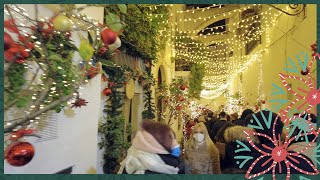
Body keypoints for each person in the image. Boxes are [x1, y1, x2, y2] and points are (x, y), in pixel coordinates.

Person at [118, 120, 184, 174]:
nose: (176, 144)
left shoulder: (132, 160)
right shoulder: (169, 166)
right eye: (170, 139)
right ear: (155, 145)